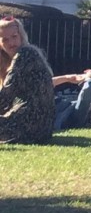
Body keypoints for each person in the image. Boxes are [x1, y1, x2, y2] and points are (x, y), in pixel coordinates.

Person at [0, 16, 55, 144]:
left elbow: (5, 96)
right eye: (5, 40)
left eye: (14, 37)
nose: (11, 43)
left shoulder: (25, 55)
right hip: (43, 127)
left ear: (21, 36)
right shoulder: (30, 53)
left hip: (30, 124)